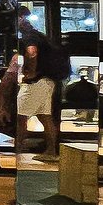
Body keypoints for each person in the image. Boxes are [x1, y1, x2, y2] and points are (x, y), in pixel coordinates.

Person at [15, 12, 69, 160]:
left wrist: (30, 73)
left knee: (20, 116)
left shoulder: (29, 36)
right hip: (47, 81)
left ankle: (18, 148)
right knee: (45, 117)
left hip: (36, 82)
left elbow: (32, 53)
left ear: (21, 18)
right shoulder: (39, 35)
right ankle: (51, 151)